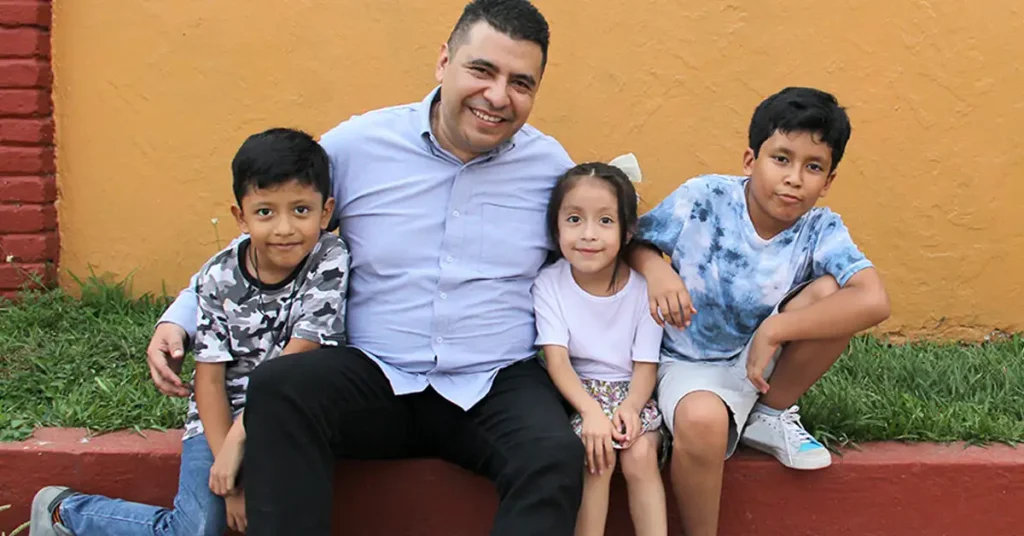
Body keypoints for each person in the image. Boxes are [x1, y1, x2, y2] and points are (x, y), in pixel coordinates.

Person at [144, 1, 585, 534]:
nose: (497, 96)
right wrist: (181, 316)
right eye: (482, 70)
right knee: (282, 388)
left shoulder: (550, 168)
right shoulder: (358, 147)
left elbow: (601, 242)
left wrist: (652, 267)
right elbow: (277, 228)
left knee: (554, 453)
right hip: (377, 374)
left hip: (493, 380)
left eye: (521, 82)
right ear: (445, 61)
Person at [29, 127, 351, 536]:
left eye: (301, 210)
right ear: (240, 217)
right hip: (220, 418)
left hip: (287, 412)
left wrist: (241, 437)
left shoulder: (329, 258)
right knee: (196, 530)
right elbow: (211, 379)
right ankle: (67, 513)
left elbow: (303, 349)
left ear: (326, 212)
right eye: (265, 212)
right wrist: (227, 472)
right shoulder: (218, 276)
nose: (284, 228)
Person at [630, 87, 891, 536]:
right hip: (690, 360)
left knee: (835, 292)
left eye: (813, 167)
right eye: (781, 159)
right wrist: (655, 268)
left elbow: (873, 300)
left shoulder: (820, 227)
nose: (794, 178)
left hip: (761, 364)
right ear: (751, 161)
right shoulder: (705, 197)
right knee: (701, 422)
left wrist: (778, 328)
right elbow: (633, 243)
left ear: (828, 181)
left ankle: (770, 415)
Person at [533, 159, 668, 536]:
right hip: (579, 394)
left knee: (641, 455)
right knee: (597, 457)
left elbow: (646, 364)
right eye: (574, 220)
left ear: (628, 233)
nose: (588, 234)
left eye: (605, 221)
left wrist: (631, 407)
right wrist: (591, 412)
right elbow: (557, 361)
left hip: (633, 394)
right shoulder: (549, 285)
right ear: (555, 227)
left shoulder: (643, 289)